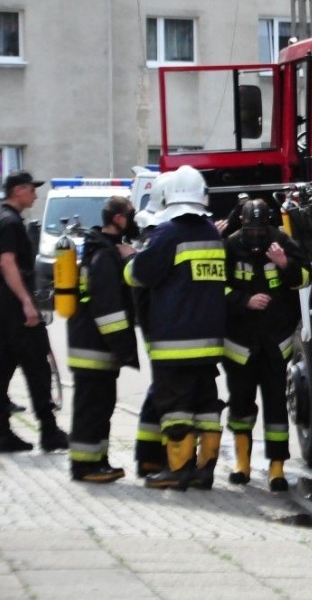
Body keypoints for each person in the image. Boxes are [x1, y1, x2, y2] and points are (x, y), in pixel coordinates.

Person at [124, 165, 226, 490]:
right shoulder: (211, 232)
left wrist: (129, 260)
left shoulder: (168, 234)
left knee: (176, 409)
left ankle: (178, 470)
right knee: (206, 405)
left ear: (168, 198)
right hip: (210, 341)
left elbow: (139, 275)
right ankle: (204, 470)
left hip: (175, 340)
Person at [223, 198, 310, 492]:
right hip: (240, 344)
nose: (256, 237)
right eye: (251, 230)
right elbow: (215, 287)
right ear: (243, 225)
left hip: (275, 343)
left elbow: (305, 277)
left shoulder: (282, 242)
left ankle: (276, 469)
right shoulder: (231, 245)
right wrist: (244, 301)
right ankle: (242, 464)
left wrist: (284, 263)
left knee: (276, 408)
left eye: (261, 230)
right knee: (241, 405)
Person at [0, 171, 68, 453]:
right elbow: (8, 263)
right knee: (37, 366)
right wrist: (26, 302)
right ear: (18, 190)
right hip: (13, 302)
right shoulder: (10, 222)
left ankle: (1, 432)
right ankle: (48, 430)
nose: (34, 194)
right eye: (31, 189)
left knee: (0, 367)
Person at [67, 196, 139, 483]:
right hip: (94, 349)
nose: (133, 220)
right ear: (119, 218)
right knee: (92, 409)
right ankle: (85, 467)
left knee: (100, 407)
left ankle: (98, 461)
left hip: (93, 346)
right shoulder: (105, 255)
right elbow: (109, 310)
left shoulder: (100, 249)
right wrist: (123, 348)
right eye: (130, 214)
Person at [130, 171, 174, 477]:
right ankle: (153, 458)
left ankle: (148, 457)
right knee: (166, 392)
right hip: (158, 328)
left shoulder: (150, 239)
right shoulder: (158, 240)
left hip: (153, 327)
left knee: (159, 389)